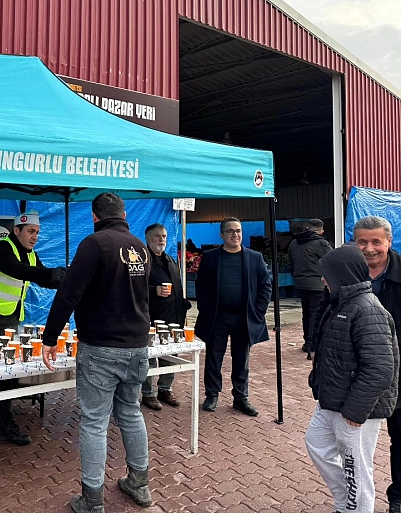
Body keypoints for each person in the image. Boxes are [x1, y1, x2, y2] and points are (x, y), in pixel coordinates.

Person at [42, 193, 153, 513]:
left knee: (94, 422)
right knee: (131, 412)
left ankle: (92, 501)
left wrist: (50, 337)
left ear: (94, 216)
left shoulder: (95, 244)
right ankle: (139, 484)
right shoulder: (140, 248)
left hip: (101, 346)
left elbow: (69, 293)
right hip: (136, 345)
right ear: (124, 215)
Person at [305, 244, 399, 513]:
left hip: (356, 409)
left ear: (342, 274)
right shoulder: (338, 303)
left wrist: (356, 410)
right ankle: (346, 503)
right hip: (332, 401)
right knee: (316, 444)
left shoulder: (368, 309)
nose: (322, 279)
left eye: (327, 274)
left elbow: (380, 368)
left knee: (356, 469)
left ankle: (356, 508)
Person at [0, 211, 65, 449]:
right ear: (17, 230)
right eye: (30, 231)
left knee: (7, 374)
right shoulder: (0, 248)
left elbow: (42, 278)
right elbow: (16, 270)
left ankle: (4, 424)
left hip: (9, 319)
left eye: (37, 232)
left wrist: (65, 278)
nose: (35, 237)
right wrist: (49, 273)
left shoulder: (31, 255)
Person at [195, 217, 271, 417]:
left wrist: (258, 311)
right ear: (221, 235)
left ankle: (240, 397)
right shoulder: (211, 257)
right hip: (217, 317)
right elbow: (201, 286)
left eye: (238, 231)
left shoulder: (255, 258)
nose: (235, 234)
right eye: (230, 231)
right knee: (213, 357)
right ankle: (212, 394)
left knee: (241, 359)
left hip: (243, 318)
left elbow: (265, 285)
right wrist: (205, 309)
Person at [353, 216, 401, 512]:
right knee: (354, 444)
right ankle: (355, 500)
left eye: (376, 242)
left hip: (399, 373)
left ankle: (398, 497)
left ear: (389, 242)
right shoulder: (346, 272)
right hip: (358, 377)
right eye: (362, 242)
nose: (369, 248)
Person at [141, 223, 191, 410]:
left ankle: (165, 389)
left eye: (164, 236)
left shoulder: (170, 260)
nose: (161, 240)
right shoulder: (142, 261)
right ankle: (148, 394)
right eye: (157, 236)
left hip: (173, 317)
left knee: (170, 355)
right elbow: (132, 288)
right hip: (150, 317)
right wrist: (154, 290)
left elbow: (178, 289)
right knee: (149, 357)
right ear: (148, 238)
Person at [288, 218, 332, 358]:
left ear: (307, 228)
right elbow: (332, 260)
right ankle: (313, 345)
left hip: (300, 283)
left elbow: (290, 264)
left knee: (306, 314)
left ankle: (307, 342)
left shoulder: (294, 243)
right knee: (316, 315)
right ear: (321, 231)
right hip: (317, 285)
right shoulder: (321, 243)